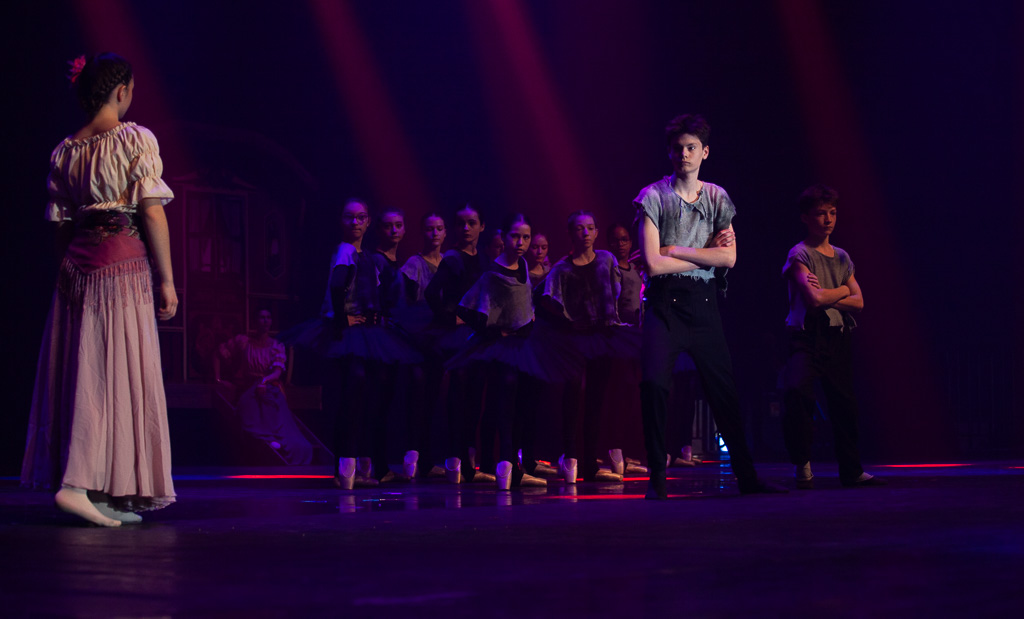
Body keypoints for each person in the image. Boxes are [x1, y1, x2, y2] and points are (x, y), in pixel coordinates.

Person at [21, 53, 177, 526]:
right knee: (111, 373)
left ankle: (103, 492)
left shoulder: (65, 150)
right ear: (122, 90)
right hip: (120, 266)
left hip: (77, 267)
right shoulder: (134, 138)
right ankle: (76, 484)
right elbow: (151, 210)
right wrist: (167, 278)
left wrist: (69, 271)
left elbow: (60, 227)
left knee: (86, 371)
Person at [634, 113, 786, 499]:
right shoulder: (653, 196)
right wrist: (704, 255)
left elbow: (731, 259)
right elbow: (652, 264)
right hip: (664, 305)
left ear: (704, 152)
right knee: (653, 385)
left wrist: (675, 249)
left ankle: (747, 477)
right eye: (677, 148)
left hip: (703, 305)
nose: (683, 154)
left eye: (691, 148)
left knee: (724, 392)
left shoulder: (717, 196)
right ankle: (656, 479)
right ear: (669, 152)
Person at [781, 184, 882, 489]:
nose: (828, 219)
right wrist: (840, 292)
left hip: (836, 335)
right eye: (821, 213)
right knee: (798, 392)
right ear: (806, 217)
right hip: (807, 336)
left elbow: (860, 302)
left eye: (833, 213)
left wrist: (829, 293)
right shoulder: (800, 253)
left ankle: (851, 470)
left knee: (844, 404)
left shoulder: (841, 257)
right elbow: (813, 301)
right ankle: (802, 463)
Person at [451, 214, 555, 490]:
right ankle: (504, 466)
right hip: (500, 348)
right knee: (501, 404)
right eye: (515, 236)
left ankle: (509, 464)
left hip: (524, 345)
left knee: (520, 404)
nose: (520, 243)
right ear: (504, 237)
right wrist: (496, 332)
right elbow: (466, 308)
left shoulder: (522, 264)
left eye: (525, 237)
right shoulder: (492, 273)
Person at [322, 200, 421, 489]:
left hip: (366, 330)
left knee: (362, 394)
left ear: (367, 222)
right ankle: (347, 468)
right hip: (349, 332)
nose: (355, 223)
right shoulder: (345, 251)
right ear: (342, 221)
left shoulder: (363, 256)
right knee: (353, 392)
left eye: (360, 218)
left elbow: (373, 290)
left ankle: (355, 467)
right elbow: (337, 284)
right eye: (349, 217)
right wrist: (343, 319)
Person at [541, 211, 639, 483]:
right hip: (574, 339)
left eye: (590, 228)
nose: (585, 233)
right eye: (580, 229)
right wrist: (569, 324)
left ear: (596, 232)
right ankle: (570, 456)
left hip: (603, 336)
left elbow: (616, 292)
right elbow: (547, 301)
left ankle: (589, 463)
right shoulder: (562, 268)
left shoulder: (606, 260)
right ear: (571, 233)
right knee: (572, 395)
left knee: (596, 398)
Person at [424, 205, 493, 484]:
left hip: (477, 332)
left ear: (482, 226)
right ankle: (457, 458)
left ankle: (468, 457)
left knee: (475, 396)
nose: (466, 228)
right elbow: (431, 293)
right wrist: (449, 318)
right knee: (459, 394)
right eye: (461, 223)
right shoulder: (453, 257)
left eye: (472, 223)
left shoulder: (484, 258)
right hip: (457, 334)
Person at [214, 309, 314, 465]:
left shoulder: (276, 346)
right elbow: (219, 352)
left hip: (270, 385)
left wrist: (264, 381)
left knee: (275, 409)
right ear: (255, 321)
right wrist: (218, 379)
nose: (265, 321)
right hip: (248, 386)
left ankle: (279, 439)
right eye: (262, 317)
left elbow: (277, 371)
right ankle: (267, 437)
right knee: (248, 405)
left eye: (268, 318)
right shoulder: (244, 342)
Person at [393, 212, 447, 478]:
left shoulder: (449, 262)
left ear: (445, 232)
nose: (434, 234)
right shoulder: (415, 263)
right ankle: (412, 450)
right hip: (418, 337)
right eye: (429, 229)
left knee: (434, 397)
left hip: (442, 337)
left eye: (438, 229)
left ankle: (427, 455)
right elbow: (405, 303)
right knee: (417, 393)